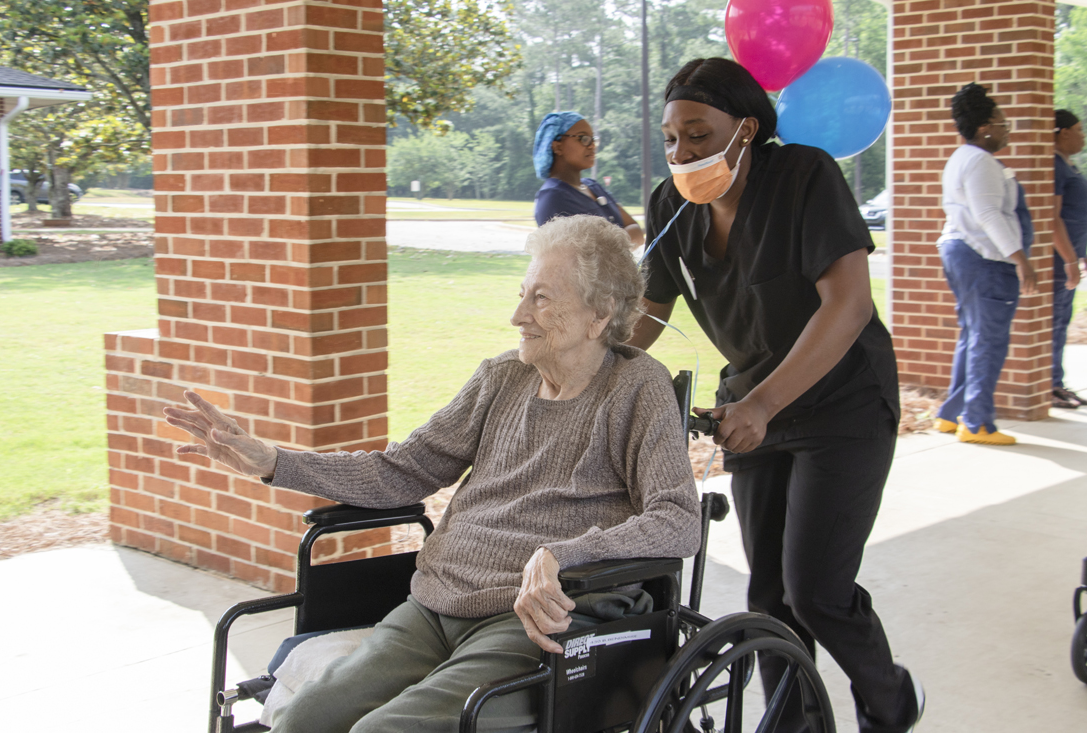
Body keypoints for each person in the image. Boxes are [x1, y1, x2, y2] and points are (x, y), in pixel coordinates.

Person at [164, 215, 700, 733]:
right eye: (522, 293)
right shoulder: (501, 378)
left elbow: (678, 521)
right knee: (305, 721)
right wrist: (274, 461)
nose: (517, 315)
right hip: (434, 606)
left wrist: (564, 553)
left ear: (599, 313)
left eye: (540, 298)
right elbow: (403, 470)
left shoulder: (636, 388)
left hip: (536, 623)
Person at [626, 57, 923, 733]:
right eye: (671, 139)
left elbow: (847, 306)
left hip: (842, 401)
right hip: (751, 406)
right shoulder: (673, 206)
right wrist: (590, 368)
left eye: (699, 134)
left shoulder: (804, 177)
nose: (683, 152)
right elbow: (648, 309)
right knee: (769, 599)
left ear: (747, 128)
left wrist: (762, 403)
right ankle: (794, 724)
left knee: (816, 590)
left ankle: (890, 697)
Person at [930, 82, 1039, 444]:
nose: (1007, 129)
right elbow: (989, 214)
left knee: (973, 335)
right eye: (1002, 123)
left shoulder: (961, 158)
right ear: (984, 127)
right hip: (984, 259)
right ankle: (977, 423)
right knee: (988, 340)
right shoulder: (980, 161)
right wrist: (1020, 259)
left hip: (963, 253)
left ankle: (950, 414)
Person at [532, 111, 644, 246]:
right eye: (583, 138)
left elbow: (636, 231)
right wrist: (621, 240)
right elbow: (583, 257)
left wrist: (610, 245)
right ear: (557, 146)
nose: (592, 145)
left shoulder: (593, 186)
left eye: (593, 139)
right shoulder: (553, 197)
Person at [1052, 109, 1087, 408]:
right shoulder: (1056, 166)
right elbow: (1053, 219)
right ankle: (1050, 384)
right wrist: (1069, 259)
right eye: (1079, 129)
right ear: (1062, 132)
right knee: (1054, 321)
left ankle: (1057, 382)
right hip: (1057, 261)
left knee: (1062, 320)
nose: (1082, 134)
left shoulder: (1068, 165)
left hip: (1071, 257)